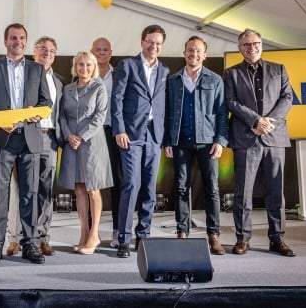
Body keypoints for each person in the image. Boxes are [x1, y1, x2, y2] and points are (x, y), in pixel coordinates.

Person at [0, 23, 52, 265]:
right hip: (2, 138)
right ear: (5, 41)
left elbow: (46, 102)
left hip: (30, 139)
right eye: (12, 38)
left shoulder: (37, 69)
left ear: (26, 42)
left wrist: (37, 113)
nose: (17, 41)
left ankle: (30, 244)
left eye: (21, 38)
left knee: (30, 194)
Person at [223, 28, 295, 257]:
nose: (251, 48)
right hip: (246, 138)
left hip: (274, 137)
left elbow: (287, 97)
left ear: (261, 45)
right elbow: (231, 102)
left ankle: (277, 239)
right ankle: (243, 238)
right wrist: (255, 120)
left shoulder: (279, 69)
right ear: (239, 48)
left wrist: (268, 122)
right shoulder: (231, 73)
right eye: (246, 45)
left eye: (255, 44)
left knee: (276, 192)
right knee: (243, 192)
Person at [162, 36, 228, 255]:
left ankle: (214, 235)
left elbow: (221, 113)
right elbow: (168, 113)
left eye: (199, 51)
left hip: (208, 142)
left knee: (212, 188)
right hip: (180, 142)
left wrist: (220, 141)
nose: (194, 54)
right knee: (181, 187)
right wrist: (168, 141)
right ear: (184, 53)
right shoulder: (173, 80)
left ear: (205, 55)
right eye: (191, 50)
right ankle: (182, 232)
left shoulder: (215, 80)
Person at [111, 25, 170, 258]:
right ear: (142, 41)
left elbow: (163, 104)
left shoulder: (164, 70)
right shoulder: (127, 65)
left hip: (154, 135)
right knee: (131, 185)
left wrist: (164, 138)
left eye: (157, 43)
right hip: (131, 135)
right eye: (149, 41)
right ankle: (124, 239)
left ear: (161, 46)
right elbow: (116, 99)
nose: (153, 46)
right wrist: (120, 130)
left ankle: (143, 236)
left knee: (149, 188)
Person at [4, 37, 64, 257]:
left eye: (51, 50)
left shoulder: (59, 81)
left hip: (49, 139)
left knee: (45, 191)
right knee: (19, 190)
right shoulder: (25, 73)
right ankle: (15, 238)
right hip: (26, 138)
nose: (46, 53)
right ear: (34, 51)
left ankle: (41, 238)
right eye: (42, 49)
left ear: (55, 55)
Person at [58, 51, 113, 255]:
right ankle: (83, 234)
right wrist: (68, 135)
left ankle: (94, 234)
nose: (84, 68)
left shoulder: (99, 88)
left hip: (91, 144)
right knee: (79, 189)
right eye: (80, 65)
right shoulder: (68, 89)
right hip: (72, 143)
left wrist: (81, 136)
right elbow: (62, 116)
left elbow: (100, 117)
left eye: (88, 65)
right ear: (75, 67)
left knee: (93, 189)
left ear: (94, 67)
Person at [91, 37, 122, 248]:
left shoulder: (120, 74)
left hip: (113, 133)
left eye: (105, 50)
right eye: (98, 50)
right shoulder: (84, 73)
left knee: (117, 183)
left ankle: (118, 231)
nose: (102, 53)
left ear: (111, 53)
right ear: (91, 52)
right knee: (91, 185)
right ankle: (91, 233)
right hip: (91, 135)